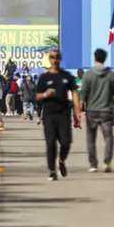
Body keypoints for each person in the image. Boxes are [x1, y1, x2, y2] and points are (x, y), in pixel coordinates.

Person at [36, 48, 81, 181]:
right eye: (52, 57)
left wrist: (77, 112)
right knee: (50, 144)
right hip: (49, 115)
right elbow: (37, 96)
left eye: (57, 57)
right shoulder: (44, 78)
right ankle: (52, 170)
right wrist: (45, 94)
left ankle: (61, 160)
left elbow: (74, 93)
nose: (54, 60)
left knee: (66, 142)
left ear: (60, 59)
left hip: (64, 114)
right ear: (49, 59)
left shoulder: (67, 76)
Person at [79, 48, 114, 173]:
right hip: (107, 111)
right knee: (108, 137)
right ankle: (107, 161)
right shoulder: (112, 75)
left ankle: (93, 164)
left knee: (90, 138)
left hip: (91, 111)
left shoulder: (88, 75)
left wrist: (78, 112)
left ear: (95, 58)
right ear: (105, 58)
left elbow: (83, 95)